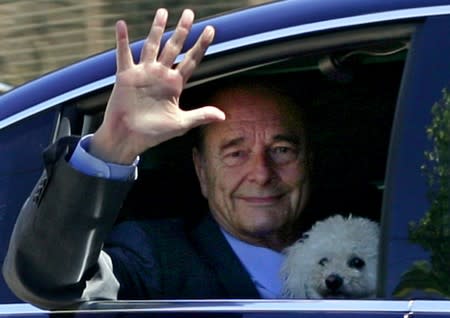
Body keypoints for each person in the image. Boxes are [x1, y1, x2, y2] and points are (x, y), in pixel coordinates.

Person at [2, 8, 310, 309]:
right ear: (202, 171)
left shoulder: (350, 238)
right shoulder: (156, 257)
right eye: (236, 153)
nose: (261, 173)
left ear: (308, 160)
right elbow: (51, 282)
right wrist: (112, 148)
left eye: (281, 150)